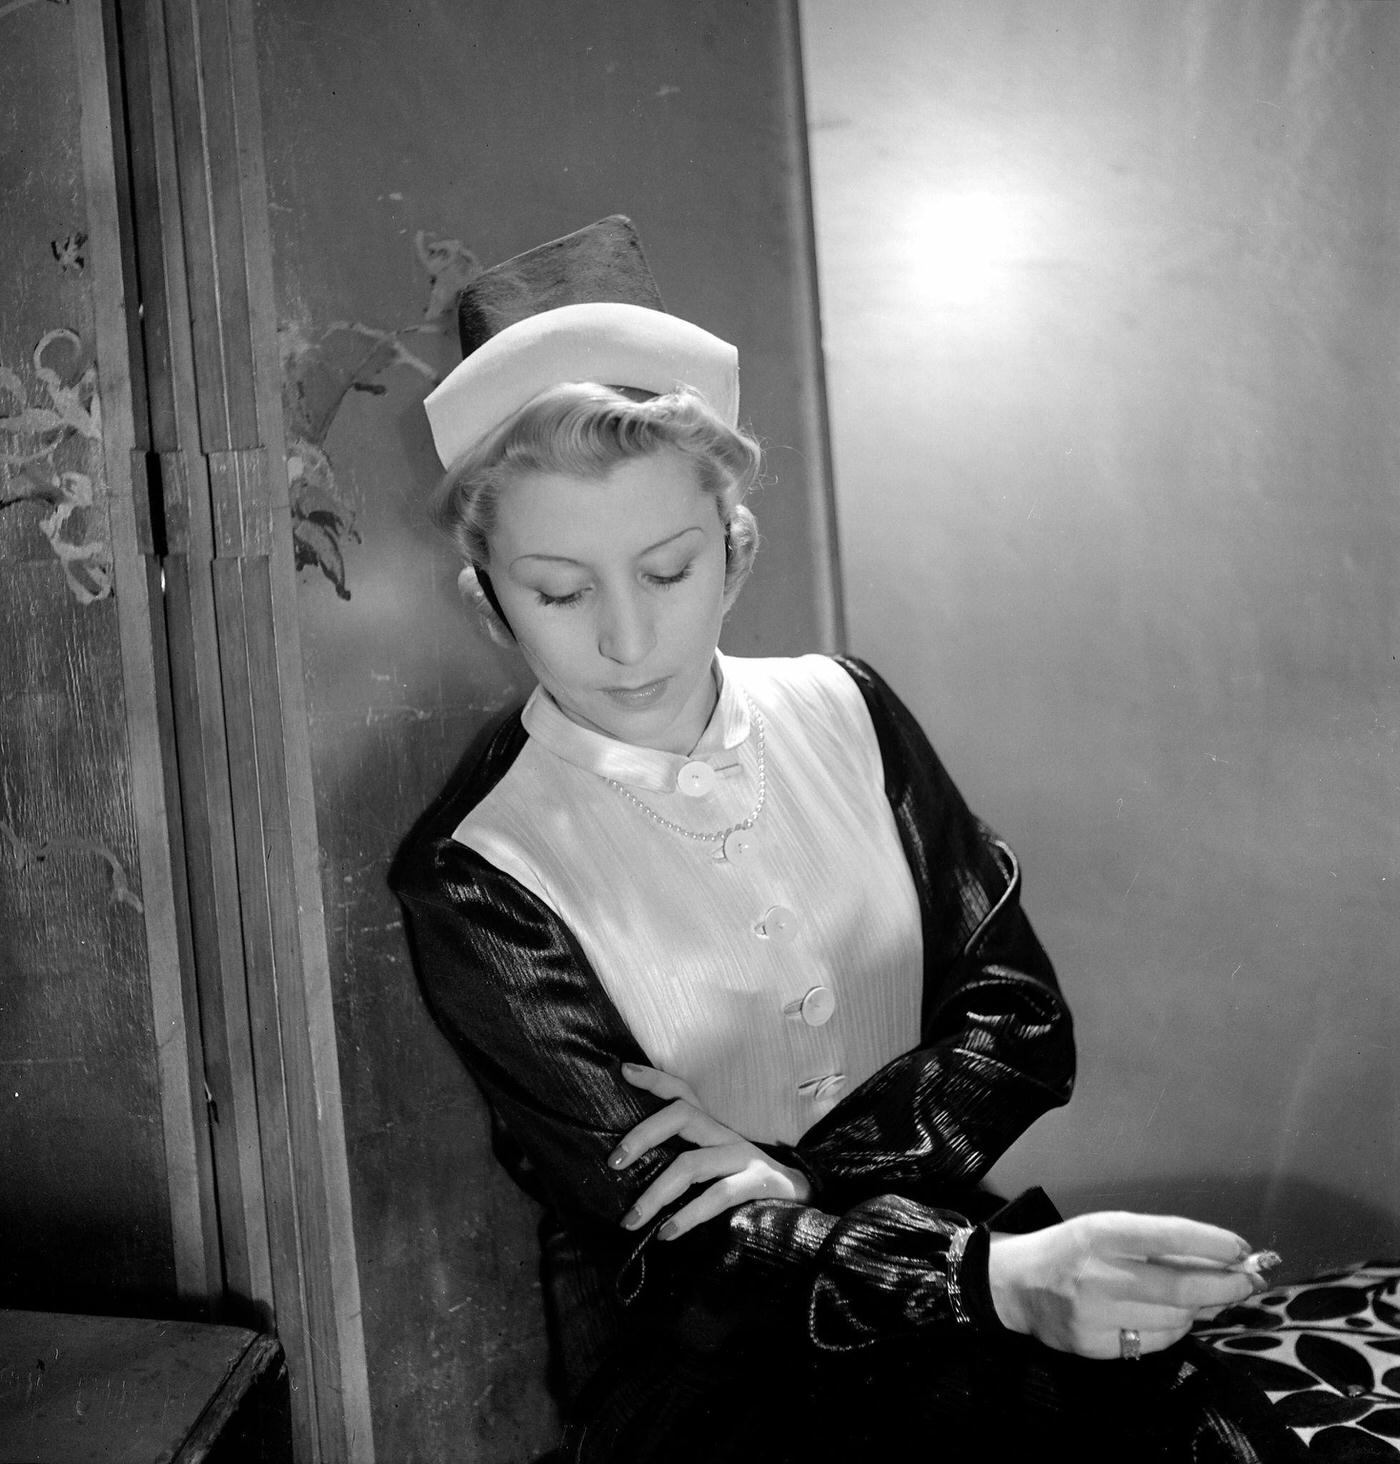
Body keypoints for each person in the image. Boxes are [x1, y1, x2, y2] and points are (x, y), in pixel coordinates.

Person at [391, 220, 1306, 1461]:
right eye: (558, 592)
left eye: (665, 571)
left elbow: (1020, 1023)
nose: (624, 639)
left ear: (734, 551)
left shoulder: (847, 707)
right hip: (707, 1370)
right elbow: (677, 1225)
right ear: (486, 602)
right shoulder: (477, 866)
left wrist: (807, 1182)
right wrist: (989, 1278)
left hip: (949, 1272)